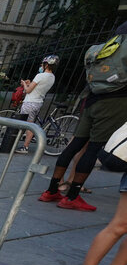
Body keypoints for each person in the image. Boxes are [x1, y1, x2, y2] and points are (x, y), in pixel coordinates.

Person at [38, 21, 127, 212]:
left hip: (91, 98)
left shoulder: (105, 49)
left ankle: (52, 189)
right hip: (114, 103)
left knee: (75, 144)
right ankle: (72, 196)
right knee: (93, 149)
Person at [16, 55, 58, 154]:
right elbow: (38, 88)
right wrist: (30, 83)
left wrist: (24, 84)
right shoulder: (52, 77)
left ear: (46, 65)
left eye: (42, 64)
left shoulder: (40, 76)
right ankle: (18, 143)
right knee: (29, 123)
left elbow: (28, 90)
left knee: (28, 125)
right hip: (38, 102)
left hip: (30, 102)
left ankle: (25, 147)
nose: (41, 66)